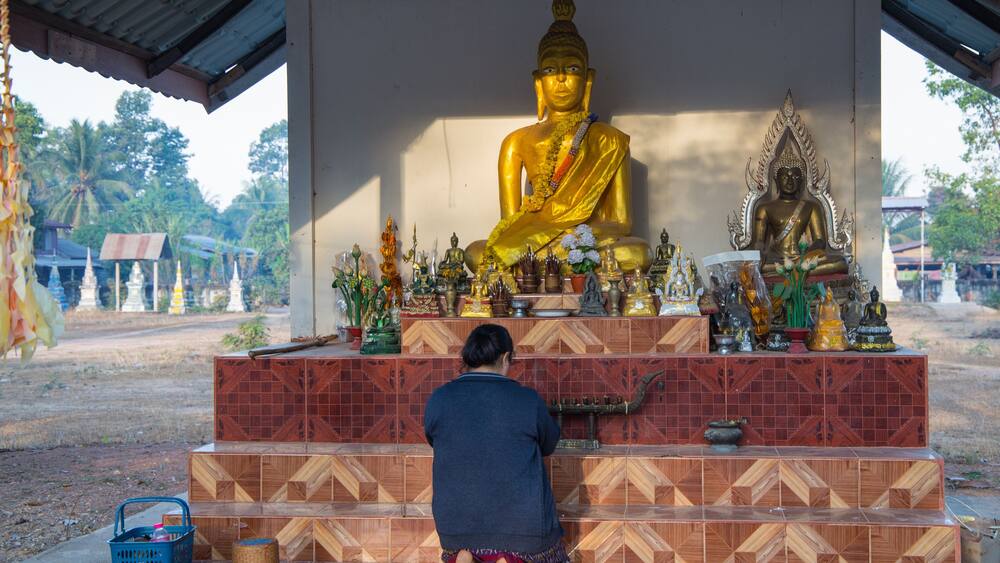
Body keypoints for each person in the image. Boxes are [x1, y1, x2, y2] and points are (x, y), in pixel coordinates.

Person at [424, 324, 567, 563]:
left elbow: (433, 438)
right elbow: (549, 444)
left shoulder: (439, 399)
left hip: (456, 528)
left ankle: (467, 555)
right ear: (505, 358)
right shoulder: (527, 400)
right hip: (524, 532)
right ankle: (507, 558)